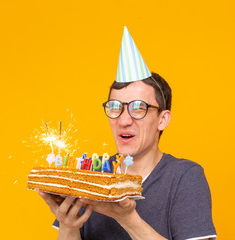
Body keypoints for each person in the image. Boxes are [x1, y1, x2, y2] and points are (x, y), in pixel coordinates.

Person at [38, 27, 216, 240]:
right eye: (115, 107)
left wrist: (128, 218)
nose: (123, 120)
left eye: (138, 108)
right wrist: (68, 225)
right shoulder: (92, 177)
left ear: (162, 119)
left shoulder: (184, 177)